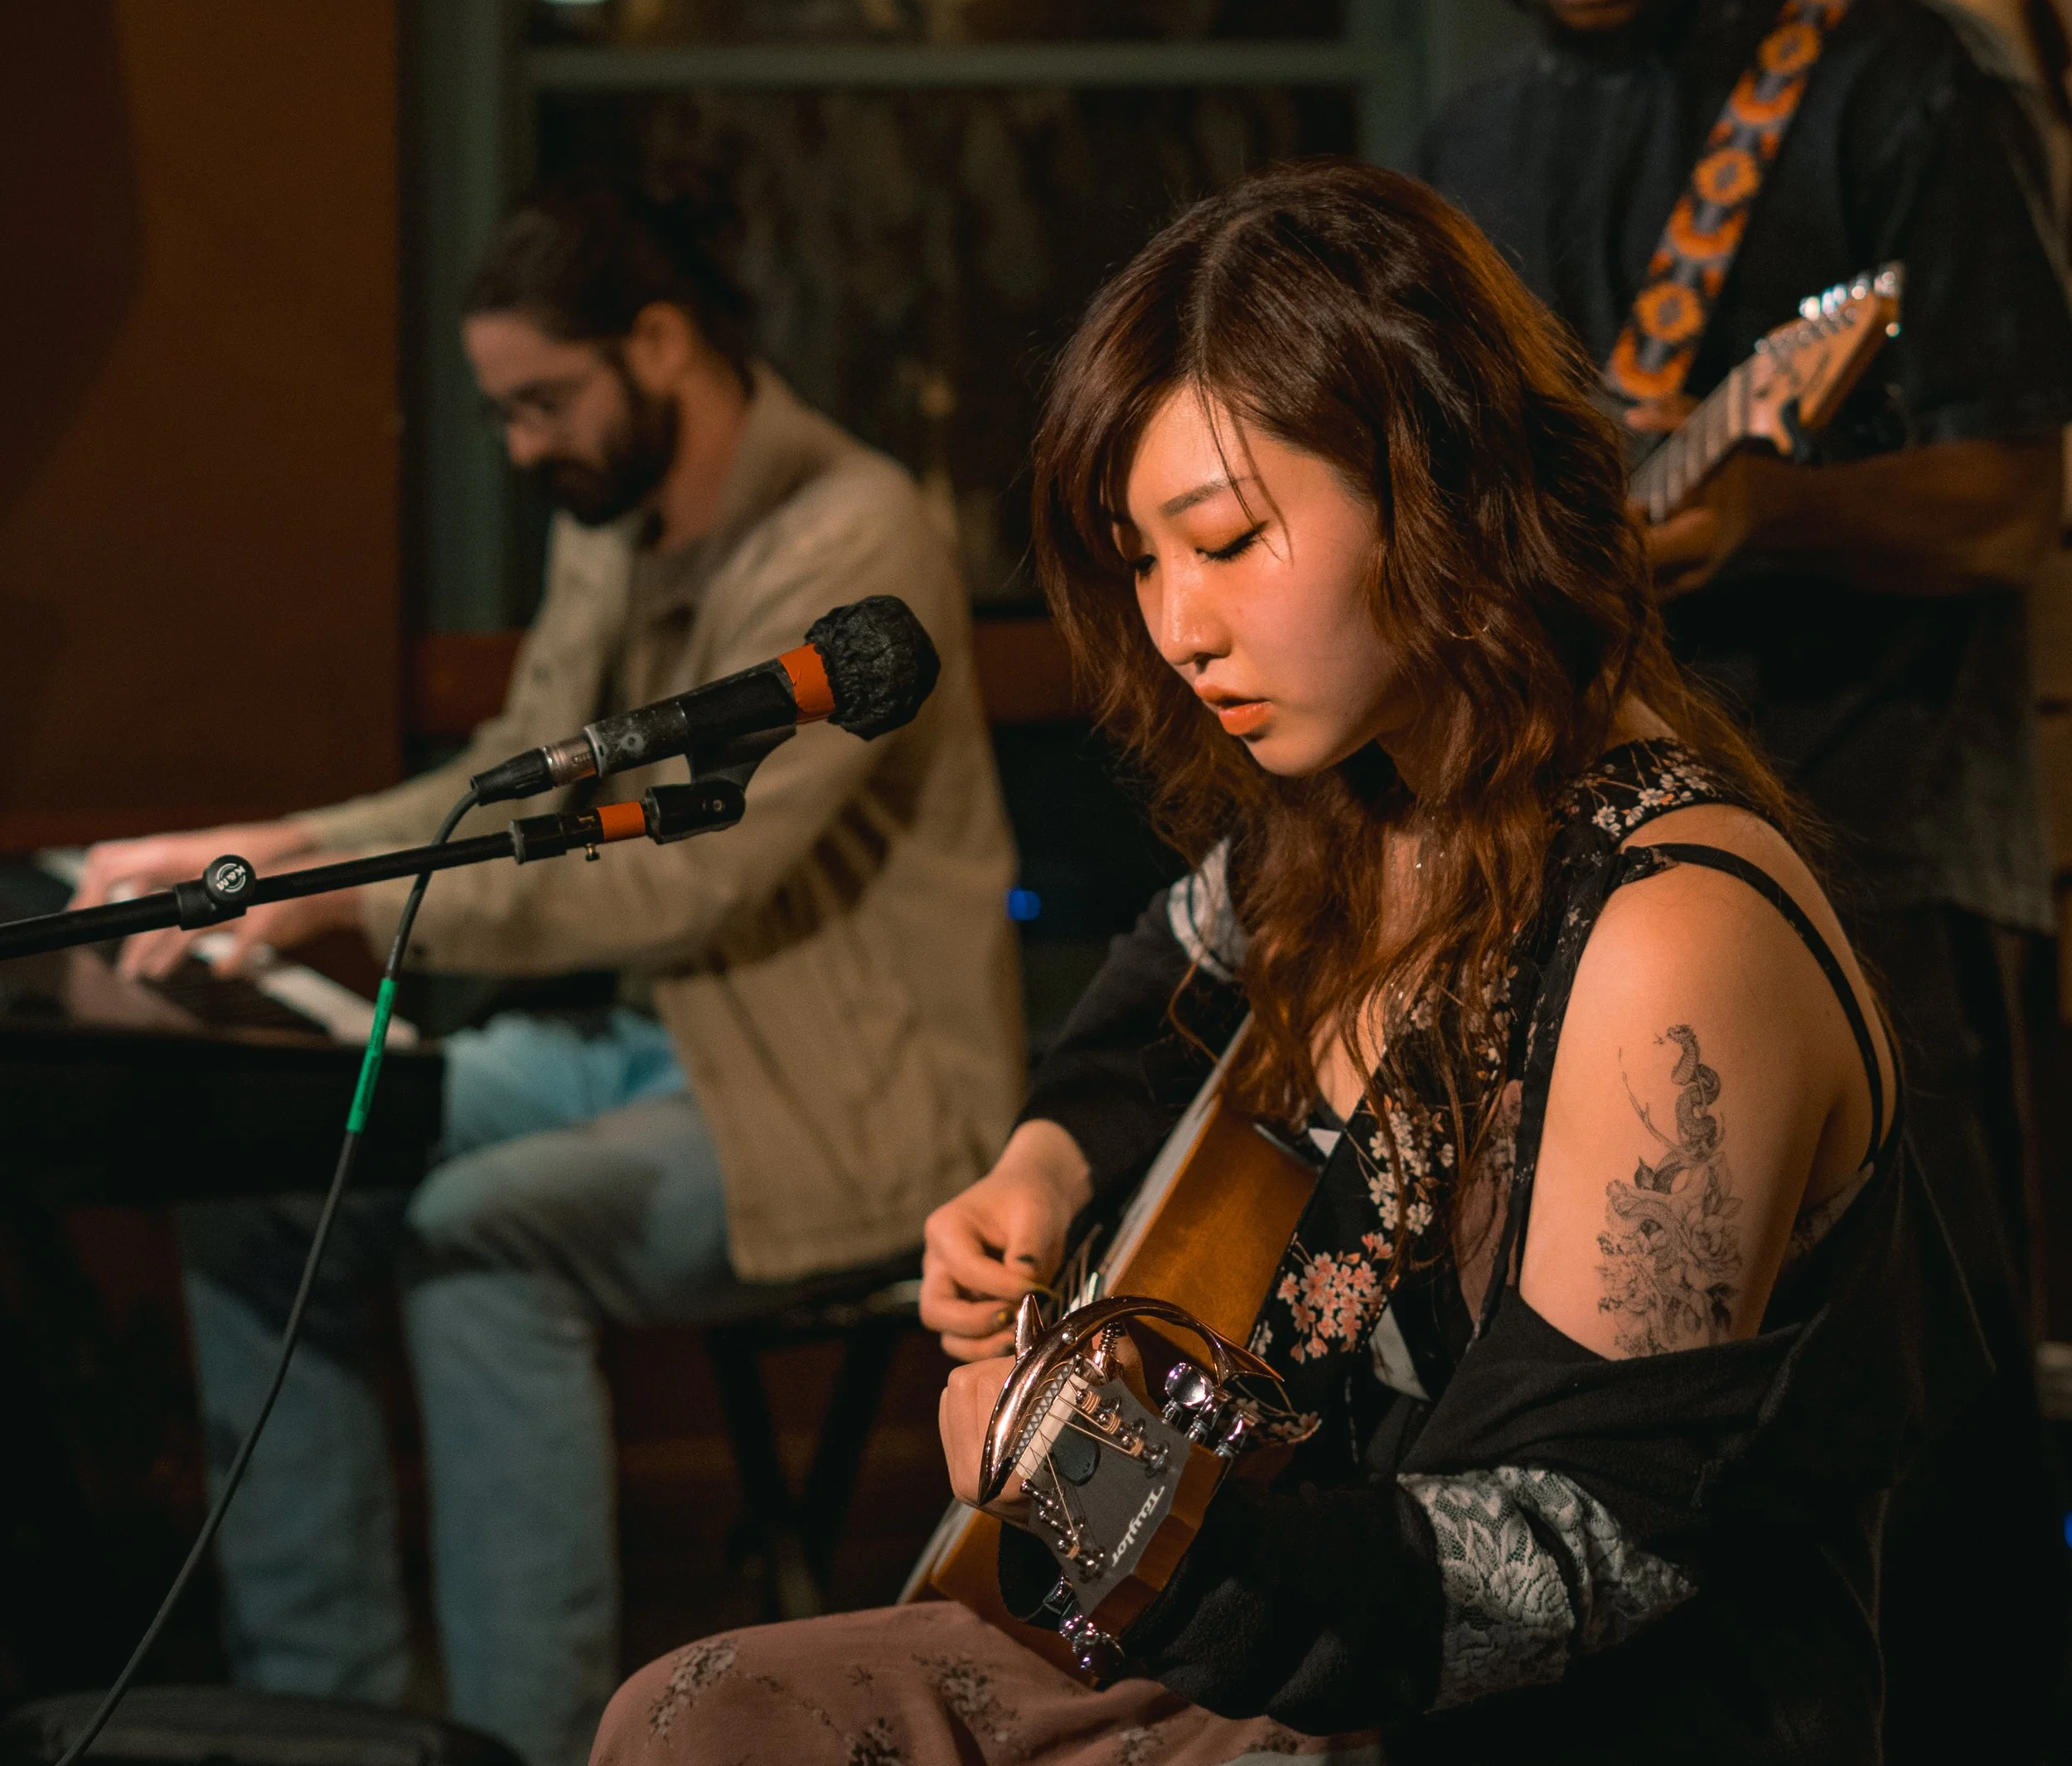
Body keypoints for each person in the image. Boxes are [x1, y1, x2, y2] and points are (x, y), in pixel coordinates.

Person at [592, 158, 1980, 1766]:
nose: (1176, 623)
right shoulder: (1350, 807)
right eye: (1138, 556)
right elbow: (1153, 995)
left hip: (1525, 1709)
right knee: (692, 1716)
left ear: (1444, 492)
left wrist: (1067, 1463)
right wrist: (1043, 1167)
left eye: (1227, 538)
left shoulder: (1672, 934)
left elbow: (1560, 1560)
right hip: (1277, 1629)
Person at [73, 178, 1023, 1766]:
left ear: (661, 345)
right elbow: (519, 772)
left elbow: (686, 870)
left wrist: (336, 905)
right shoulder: (614, 522)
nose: (521, 447)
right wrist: (288, 843)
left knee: (477, 1239)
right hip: (649, 1052)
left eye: (544, 402)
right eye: (501, 412)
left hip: (853, 1100)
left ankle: (517, 1747)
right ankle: (337, 1718)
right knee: (267, 1178)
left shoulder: (855, 533)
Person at [1403, 0, 2072, 1761]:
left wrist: (1772, 517)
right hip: (1581, 878)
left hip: (1879, 864)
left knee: (1927, 1440)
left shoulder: (1901, 78)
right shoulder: (1476, 139)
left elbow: (2006, 499)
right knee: (1636, 1438)